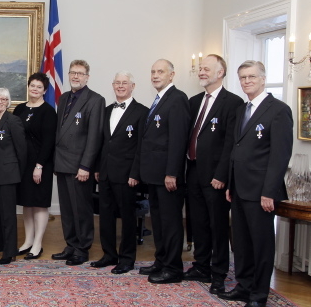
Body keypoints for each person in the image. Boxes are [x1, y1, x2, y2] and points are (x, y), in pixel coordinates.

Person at [221, 60, 293, 307]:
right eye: (242, 77)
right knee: (241, 242)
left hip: (261, 191)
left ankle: (259, 294)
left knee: (261, 244)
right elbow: (236, 149)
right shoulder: (242, 109)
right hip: (239, 188)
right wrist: (230, 183)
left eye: (251, 76)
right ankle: (244, 285)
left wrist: (269, 192)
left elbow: (280, 156)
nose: (247, 81)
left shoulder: (279, 110)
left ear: (263, 79)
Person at [184, 55, 243, 293]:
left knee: (217, 226)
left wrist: (222, 175)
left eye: (206, 69)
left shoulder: (233, 102)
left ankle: (219, 274)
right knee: (198, 222)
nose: (201, 72)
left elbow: (230, 143)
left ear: (220, 73)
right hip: (193, 171)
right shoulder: (194, 101)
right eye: (200, 69)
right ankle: (201, 266)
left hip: (216, 176)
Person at [138, 59, 190, 284]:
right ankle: (161, 261)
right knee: (158, 222)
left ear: (172, 75)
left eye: (160, 71)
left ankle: (173, 268)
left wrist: (172, 173)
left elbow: (178, 140)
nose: (155, 75)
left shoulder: (177, 99)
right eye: (153, 72)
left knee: (170, 223)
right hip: (154, 175)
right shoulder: (160, 99)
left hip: (168, 176)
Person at [92, 71, 148, 274]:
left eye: (125, 83)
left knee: (127, 218)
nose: (121, 86)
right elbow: (101, 142)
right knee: (105, 216)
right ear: (113, 85)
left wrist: (135, 173)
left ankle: (127, 259)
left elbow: (141, 147)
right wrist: (97, 167)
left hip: (127, 175)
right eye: (117, 83)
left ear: (133, 86)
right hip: (105, 172)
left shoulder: (142, 112)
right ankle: (109, 254)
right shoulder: (106, 110)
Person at [52, 60, 105, 266]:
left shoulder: (95, 100)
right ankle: (71, 245)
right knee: (66, 210)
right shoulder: (64, 98)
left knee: (81, 210)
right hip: (62, 163)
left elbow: (94, 137)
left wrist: (86, 166)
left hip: (79, 166)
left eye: (80, 73)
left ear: (87, 77)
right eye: (73, 72)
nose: (75, 76)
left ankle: (82, 249)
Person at [12, 73, 57, 260]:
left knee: (39, 204)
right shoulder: (20, 109)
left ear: (44, 90)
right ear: (28, 87)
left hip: (41, 164)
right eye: (33, 86)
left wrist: (39, 166)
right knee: (27, 203)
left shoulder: (48, 111)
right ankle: (28, 241)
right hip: (22, 163)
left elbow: (48, 142)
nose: (35, 89)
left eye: (39, 87)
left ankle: (38, 244)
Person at [0, 88, 27, 265]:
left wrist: (17, 173)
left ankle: (9, 251)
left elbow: (21, 150)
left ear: (8, 102)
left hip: (8, 175)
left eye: (3, 99)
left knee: (8, 215)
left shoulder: (13, 121)